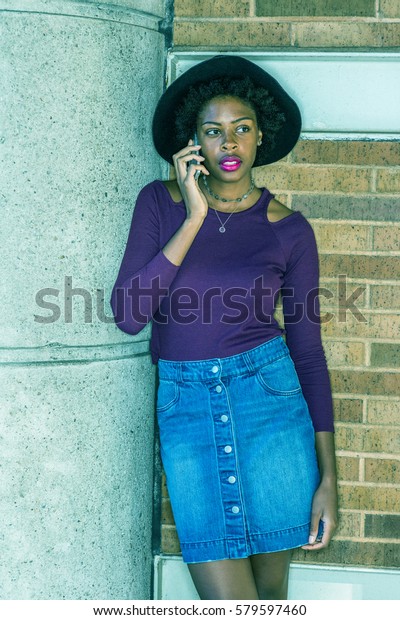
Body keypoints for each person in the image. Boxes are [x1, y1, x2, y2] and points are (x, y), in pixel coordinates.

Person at [110, 55, 338, 600]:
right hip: (187, 408)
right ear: (194, 143)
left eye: (242, 129)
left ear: (262, 138)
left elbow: (308, 352)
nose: (229, 144)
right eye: (214, 132)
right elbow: (128, 315)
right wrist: (193, 217)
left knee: (269, 597)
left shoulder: (289, 230)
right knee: (227, 602)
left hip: (270, 404)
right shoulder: (159, 205)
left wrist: (329, 478)